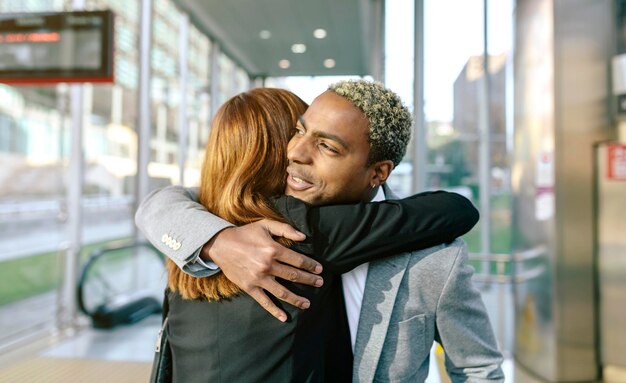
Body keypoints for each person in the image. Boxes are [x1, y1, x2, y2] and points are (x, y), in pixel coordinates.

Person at [137, 81, 504, 382]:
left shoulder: (433, 258)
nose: (296, 152)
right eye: (296, 132)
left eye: (326, 145)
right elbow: (456, 209)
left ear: (378, 171)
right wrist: (216, 238)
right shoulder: (283, 230)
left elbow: (477, 368)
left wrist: (214, 239)